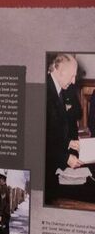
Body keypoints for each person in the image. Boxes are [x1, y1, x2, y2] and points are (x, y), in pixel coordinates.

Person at [45, 54, 82, 193]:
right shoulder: (46, 90)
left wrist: (68, 143)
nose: (73, 81)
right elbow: (41, 139)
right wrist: (65, 157)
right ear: (60, 71)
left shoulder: (58, 89)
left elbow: (53, 130)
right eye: (72, 76)